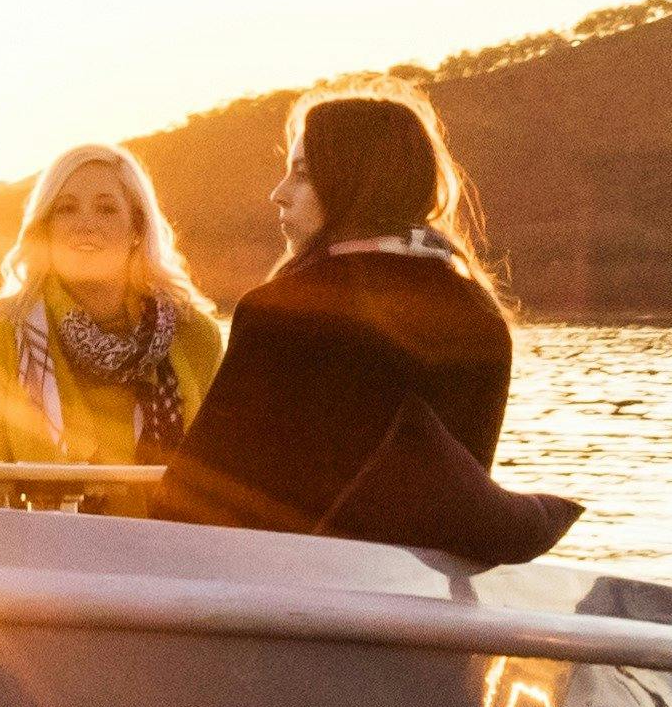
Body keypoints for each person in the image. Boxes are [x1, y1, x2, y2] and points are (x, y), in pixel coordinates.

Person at [151, 86, 580, 564]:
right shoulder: (479, 316)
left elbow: (191, 504)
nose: (279, 194)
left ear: (353, 181)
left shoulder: (283, 310)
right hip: (423, 609)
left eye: (302, 174)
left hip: (277, 599)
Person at [0, 143, 224, 467]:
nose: (85, 224)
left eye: (106, 209)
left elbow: (225, 482)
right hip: (37, 521)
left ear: (137, 228)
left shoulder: (195, 337)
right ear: (45, 229)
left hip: (168, 519)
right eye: (66, 209)